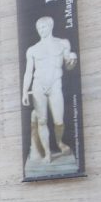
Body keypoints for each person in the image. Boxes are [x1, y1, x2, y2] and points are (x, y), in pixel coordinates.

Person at [21, 16, 77, 164]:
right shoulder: (32, 50)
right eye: (39, 28)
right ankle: (47, 153)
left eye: (44, 27)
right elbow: (28, 72)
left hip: (55, 84)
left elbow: (69, 66)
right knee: (42, 121)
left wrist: (72, 60)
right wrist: (25, 91)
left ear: (50, 26)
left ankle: (59, 142)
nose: (41, 30)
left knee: (59, 121)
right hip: (38, 85)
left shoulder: (62, 43)